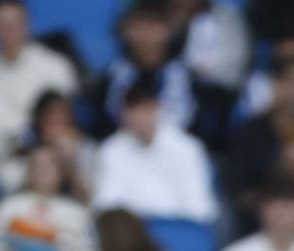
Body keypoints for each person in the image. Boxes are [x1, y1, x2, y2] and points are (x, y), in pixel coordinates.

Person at [90, 73, 218, 223]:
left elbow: (200, 207)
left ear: (157, 108)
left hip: (178, 229)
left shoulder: (188, 148)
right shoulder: (110, 150)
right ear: (123, 114)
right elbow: (106, 203)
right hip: (131, 233)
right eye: (132, 110)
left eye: (144, 108)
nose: (138, 117)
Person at [0, 0, 77, 166]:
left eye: (13, 25)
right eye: (0, 25)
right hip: (7, 165)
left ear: (27, 25)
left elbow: (66, 123)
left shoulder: (56, 67)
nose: (7, 32)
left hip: (55, 159)